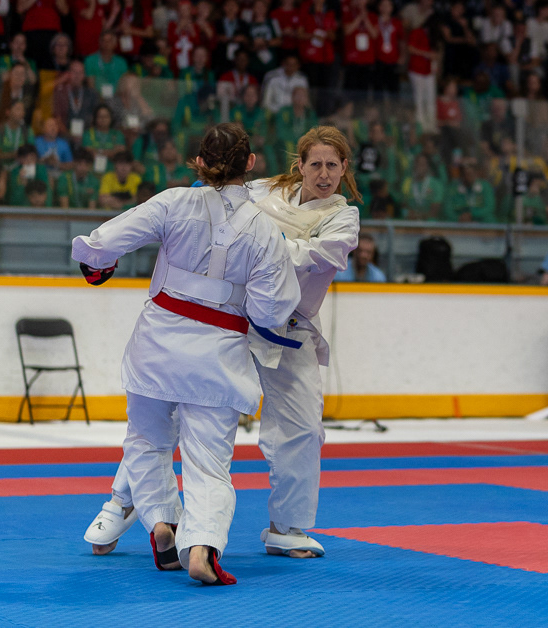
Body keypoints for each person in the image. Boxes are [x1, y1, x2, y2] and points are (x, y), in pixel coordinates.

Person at [84, 125, 361, 563]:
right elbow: (222, 195)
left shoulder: (344, 219)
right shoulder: (265, 190)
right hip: (238, 320)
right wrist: (211, 205)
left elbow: (312, 256)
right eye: (315, 164)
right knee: (170, 411)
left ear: (344, 168)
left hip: (291, 328)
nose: (323, 174)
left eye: (332, 165)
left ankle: (286, 528)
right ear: (301, 165)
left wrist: (262, 239)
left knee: (304, 429)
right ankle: (122, 503)